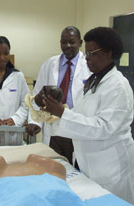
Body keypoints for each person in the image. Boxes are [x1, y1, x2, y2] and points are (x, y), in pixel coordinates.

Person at [42, 27, 134, 203]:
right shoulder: (93, 81)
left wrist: (63, 113)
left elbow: (103, 127)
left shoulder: (118, 86)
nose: (87, 58)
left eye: (92, 53)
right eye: (87, 53)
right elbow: (81, 114)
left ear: (109, 53)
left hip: (112, 167)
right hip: (90, 163)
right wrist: (57, 113)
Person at [26, 26, 91, 164]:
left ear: (80, 43)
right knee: (53, 166)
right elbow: (37, 93)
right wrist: (34, 121)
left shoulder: (88, 65)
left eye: (72, 42)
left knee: (77, 168)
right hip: (53, 127)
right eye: (64, 42)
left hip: (76, 125)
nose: (68, 46)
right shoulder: (50, 64)